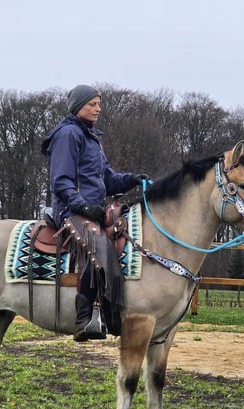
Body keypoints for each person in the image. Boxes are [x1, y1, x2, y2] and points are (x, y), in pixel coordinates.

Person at [41, 84, 149, 342]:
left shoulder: (92, 138)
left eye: (99, 103)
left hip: (93, 210)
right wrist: (82, 206)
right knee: (97, 249)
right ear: (78, 106)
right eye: (93, 104)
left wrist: (132, 179)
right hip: (70, 210)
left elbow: (108, 180)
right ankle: (84, 319)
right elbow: (61, 181)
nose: (98, 108)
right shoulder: (68, 134)